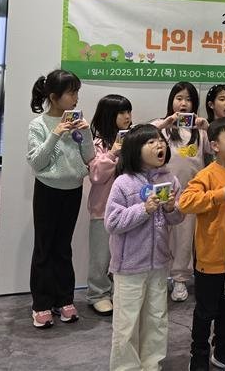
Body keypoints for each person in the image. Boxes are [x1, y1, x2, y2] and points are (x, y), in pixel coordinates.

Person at [105, 124, 184, 370]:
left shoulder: (170, 180)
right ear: (134, 149)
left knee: (157, 319)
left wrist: (170, 209)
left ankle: (152, 364)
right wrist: (143, 209)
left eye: (160, 140)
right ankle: (126, 367)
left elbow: (177, 218)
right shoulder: (123, 183)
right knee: (126, 323)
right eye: (151, 142)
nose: (159, 145)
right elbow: (112, 222)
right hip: (129, 267)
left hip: (159, 264)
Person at [179, 117, 225, 371]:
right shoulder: (207, 174)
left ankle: (224, 351)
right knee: (205, 311)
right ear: (215, 145)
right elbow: (185, 202)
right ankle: (198, 355)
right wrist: (220, 195)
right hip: (211, 258)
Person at [26, 69, 95, 328]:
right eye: (71, 93)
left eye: (77, 92)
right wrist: (55, 133)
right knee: (44, 247)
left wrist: (86, 133)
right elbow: (37, 162)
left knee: (63, 247)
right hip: (47, 190)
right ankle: (41, 304)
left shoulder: (79, 122)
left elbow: (89, 158)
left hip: (73, 189)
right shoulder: (38, 125)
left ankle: (64, 299)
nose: (76, 98)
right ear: (54, 97)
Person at [154, 82, 211, 303]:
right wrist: (165, 123)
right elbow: (140, 136)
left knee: (185, 239)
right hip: (163, 192)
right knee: (159, 235)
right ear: (171, 101)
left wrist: (207, 128)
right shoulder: (162, 127)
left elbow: (218, 147)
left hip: (190, 194)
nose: (183, 103)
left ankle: (180, 279)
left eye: (188, 99)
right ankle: (159, 278)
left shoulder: (200, 132)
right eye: (179, 98)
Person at [86, 94, 133, 315]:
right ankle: (98, 294)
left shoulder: (132, 141)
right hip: (102, 209)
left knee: (123, 254)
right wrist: (113, 152)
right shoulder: (97, 144)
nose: (127, 116)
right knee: (101, 255)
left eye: (128, 111)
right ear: (108, 115)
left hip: (129, 209)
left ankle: (118, 292)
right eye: (121, 112)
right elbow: (96, 175)